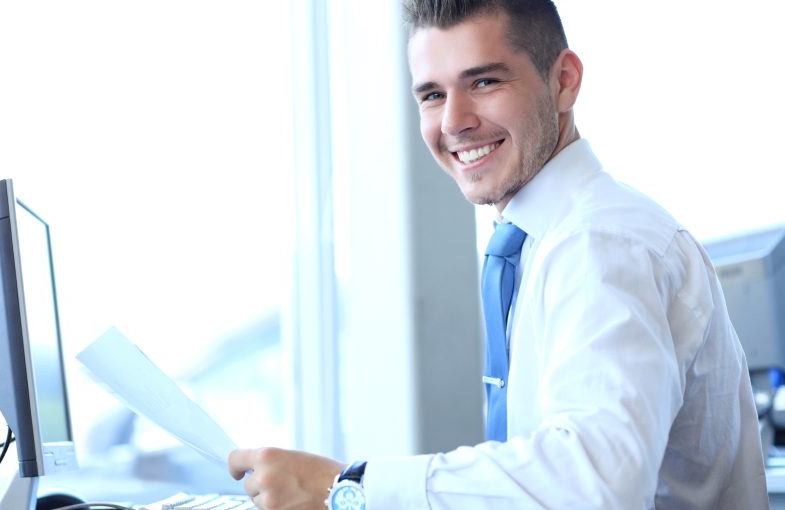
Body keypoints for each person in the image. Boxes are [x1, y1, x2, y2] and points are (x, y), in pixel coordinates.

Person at [229, 1, 769, 508]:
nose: (453, 122)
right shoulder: (538, 242)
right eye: (432, 95)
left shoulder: (601, 243)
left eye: (484, 82)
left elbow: (599, 483)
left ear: (564, 81)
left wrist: (348, 489)